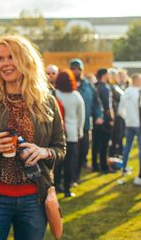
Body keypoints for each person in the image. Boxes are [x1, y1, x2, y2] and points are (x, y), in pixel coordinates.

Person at [0, 35, 66, 240]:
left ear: (27, 60)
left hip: (35, 199)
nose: (5, 64)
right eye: (0, 59)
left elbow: (60, 148)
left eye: (11, 57)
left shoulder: (47, 103)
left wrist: (44, 152)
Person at [69, 58, 103, 178]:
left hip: (86, 125)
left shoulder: (88, 86)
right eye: (73, 68)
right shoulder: (67, 86)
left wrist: (99, 115)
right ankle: (71, 177)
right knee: (72, 152)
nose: (76, 71)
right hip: (71, 125)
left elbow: (96, 103)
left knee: (83, 151)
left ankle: (77, 173)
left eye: (78, 69)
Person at [53, 70, 84, 198]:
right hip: (72, 133)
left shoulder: (54, 94)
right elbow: (81, 115)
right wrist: (80, 131)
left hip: (58, 133)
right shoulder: (76, 96)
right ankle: (67, 189)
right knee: (69, 162)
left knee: (57, 162)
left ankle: (56, 186)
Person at [118, 73, 141, 182]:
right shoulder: (139, 92)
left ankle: (124, 168)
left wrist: (127, 118)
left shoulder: (126, 92)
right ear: (136, 80)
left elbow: (120, 110)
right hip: (138, 124)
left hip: (129, 123)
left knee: (127, 147)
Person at [93, 68, 114, 173]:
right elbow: (107, 106)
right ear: (104, 75)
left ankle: (94, 165)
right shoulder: (105, 88)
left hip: (96, 119)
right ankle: (104, 166)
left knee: (96, 143)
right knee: (104, 144)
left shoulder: (95, 86)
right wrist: (111, 119)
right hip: (105, 120)